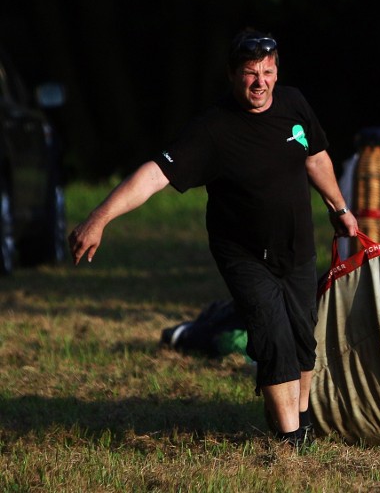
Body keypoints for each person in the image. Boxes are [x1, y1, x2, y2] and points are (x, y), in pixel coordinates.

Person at [68, 29, 358, 448]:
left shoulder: (294, 104)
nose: (260, 81)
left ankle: (301, 422)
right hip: (243, 253)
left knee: (302, 338)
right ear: (231, 75)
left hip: (295, 248)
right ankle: (290, 443)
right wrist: (100, 217)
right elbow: (154, 175)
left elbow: (316, 158)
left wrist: (340, 209)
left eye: (268, 71)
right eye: (250, 73)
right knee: (272, 337)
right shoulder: (212, 130)